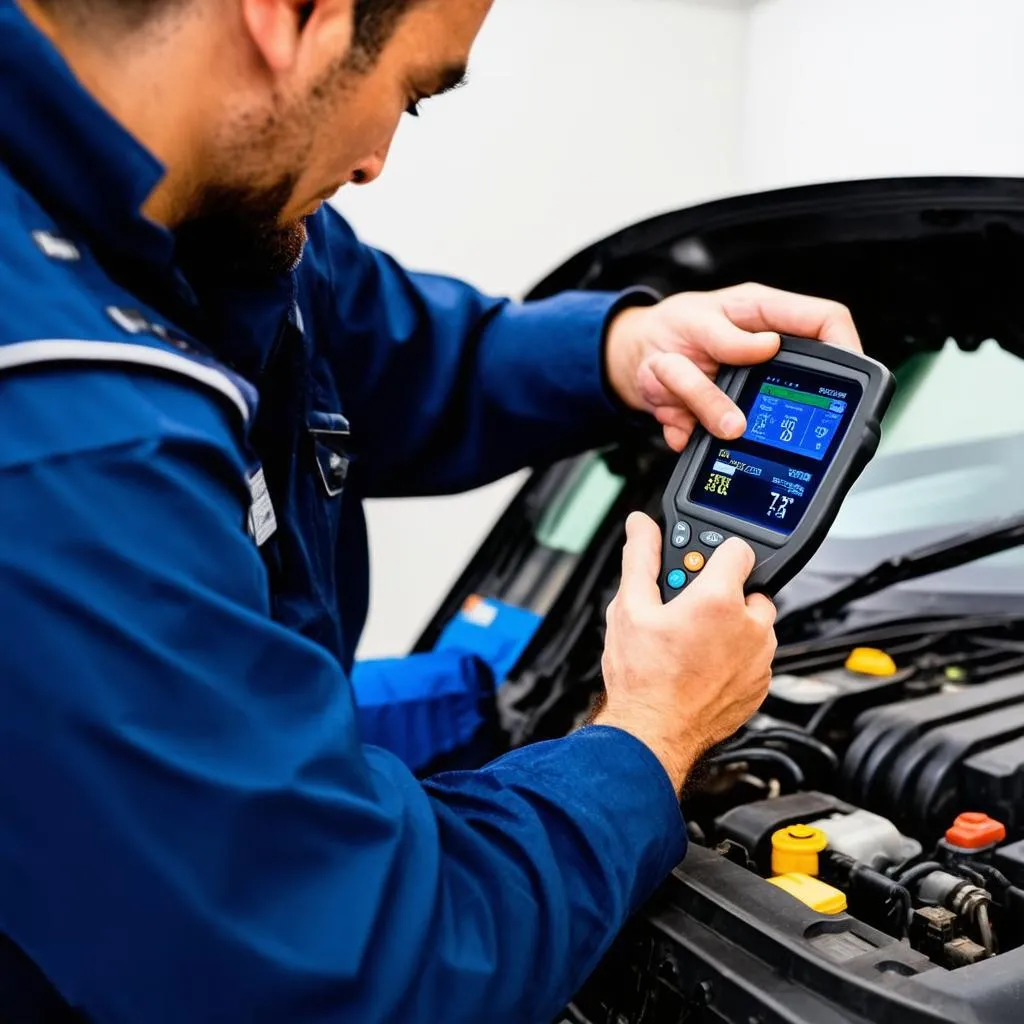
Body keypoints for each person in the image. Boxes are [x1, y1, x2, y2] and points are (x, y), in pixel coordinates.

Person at [0, 0, 862, 1020]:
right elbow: (340, 965)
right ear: (291, 18)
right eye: (413, 95)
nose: (374, 165)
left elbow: (385, 345)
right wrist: (649, 732)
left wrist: (621, 350)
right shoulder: (65, 435)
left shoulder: (200, 209)